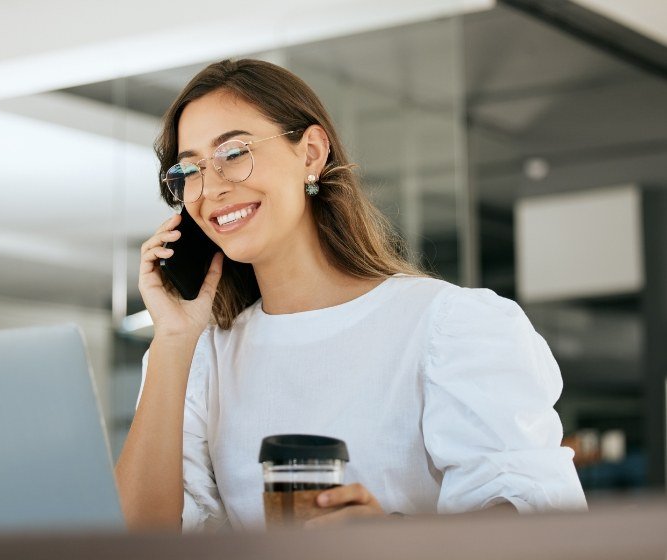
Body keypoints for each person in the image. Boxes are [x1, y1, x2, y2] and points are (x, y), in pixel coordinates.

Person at [113, 58, 587, 533]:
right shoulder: (198, 357)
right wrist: (174, 340)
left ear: (311, 153)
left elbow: (542, 524)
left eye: (233, 153)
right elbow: (138, 539)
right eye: (189, 169)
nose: (210, 186)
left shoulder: (448, 326)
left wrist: (396, 539)